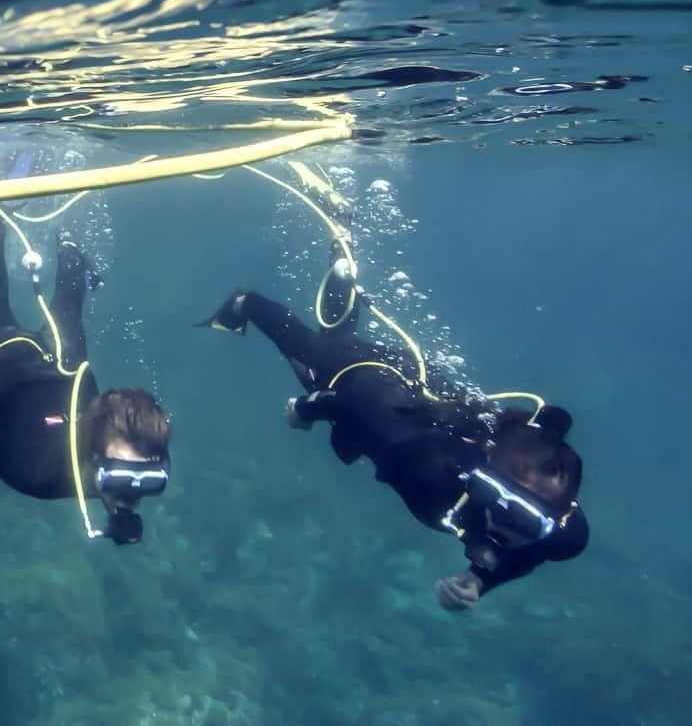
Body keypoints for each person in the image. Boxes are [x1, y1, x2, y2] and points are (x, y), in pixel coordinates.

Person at [201, 259, 588, 609]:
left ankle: (340, 291)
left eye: (524, 522)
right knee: (312, 354)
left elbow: (530, 553)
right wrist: (307, 409)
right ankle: (245, 302)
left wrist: (479, 582)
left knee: (335, 343)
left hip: (419, 397)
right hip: (370, 385)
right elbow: (353, 400)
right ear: (482, 471)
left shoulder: (563, 537)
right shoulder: (428, 466)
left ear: (563, 516)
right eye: (497, 500)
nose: (499, 528)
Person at [0, 211, 172, 545]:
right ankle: (60, 238)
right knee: (49, 301)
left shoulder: (37, 473)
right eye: (143, 479)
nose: (133, 495)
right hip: (26, 363)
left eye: (146, 482)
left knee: (43, 303)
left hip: (41, 362)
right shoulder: (37, 475)